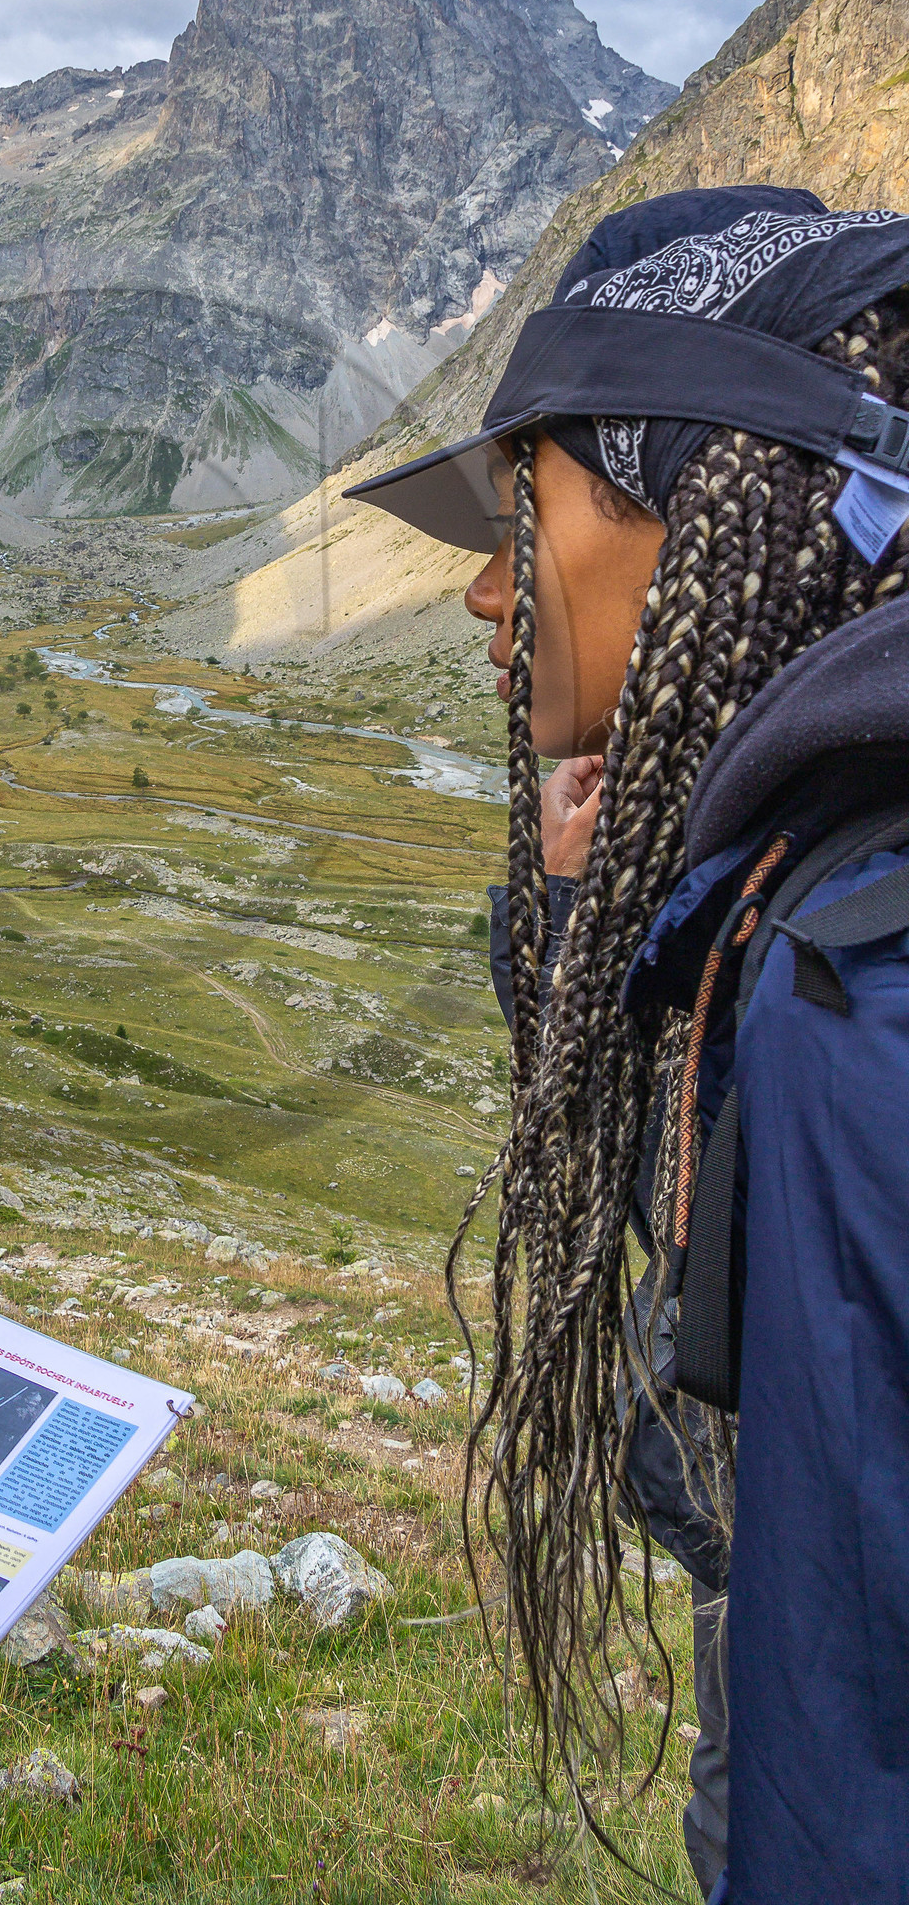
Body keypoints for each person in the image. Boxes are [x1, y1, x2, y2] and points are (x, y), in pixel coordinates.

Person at [347, 186, 909, 1904]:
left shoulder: (865, 987)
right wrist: (591, 910)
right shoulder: (809, 888)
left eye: (522, 509)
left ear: (710, 496)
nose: (483, 593)